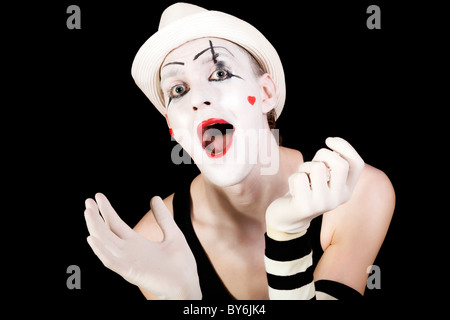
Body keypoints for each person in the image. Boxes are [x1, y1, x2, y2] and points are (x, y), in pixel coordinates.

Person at [83, 3, 395, 300]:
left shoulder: (355, 192)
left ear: (265, 93)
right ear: (172, 128)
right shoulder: (155, 240)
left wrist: (286, 233)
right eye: (178, 90)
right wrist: (182, 298)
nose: (198, 98)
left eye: (219, 74)